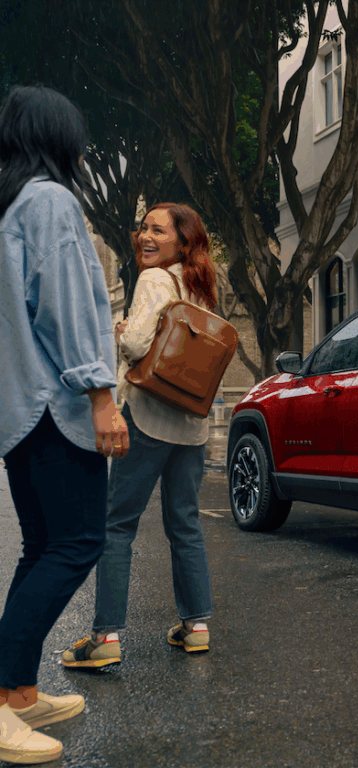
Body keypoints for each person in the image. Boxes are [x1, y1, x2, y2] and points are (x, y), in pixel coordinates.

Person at [0, 86, 129, 764]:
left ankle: (17, 690)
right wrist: (101, 395)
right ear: (56, 138)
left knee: (42, 544)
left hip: (20, 410)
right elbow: (67, 306)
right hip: (57, 406)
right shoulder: (50, 202)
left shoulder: (11, 209)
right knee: (77, 543)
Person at [62, 202, 219, 670]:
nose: (144, 236)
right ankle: (196, 627)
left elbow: (135, 345)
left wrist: (123, 329)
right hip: (191, 425)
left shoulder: (154, 281)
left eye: (157, 230)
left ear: (181, 241)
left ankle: (106, 637)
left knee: (117, 525)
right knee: (185, 524)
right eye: (142, 228)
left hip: (149, 417)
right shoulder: (202, 287)